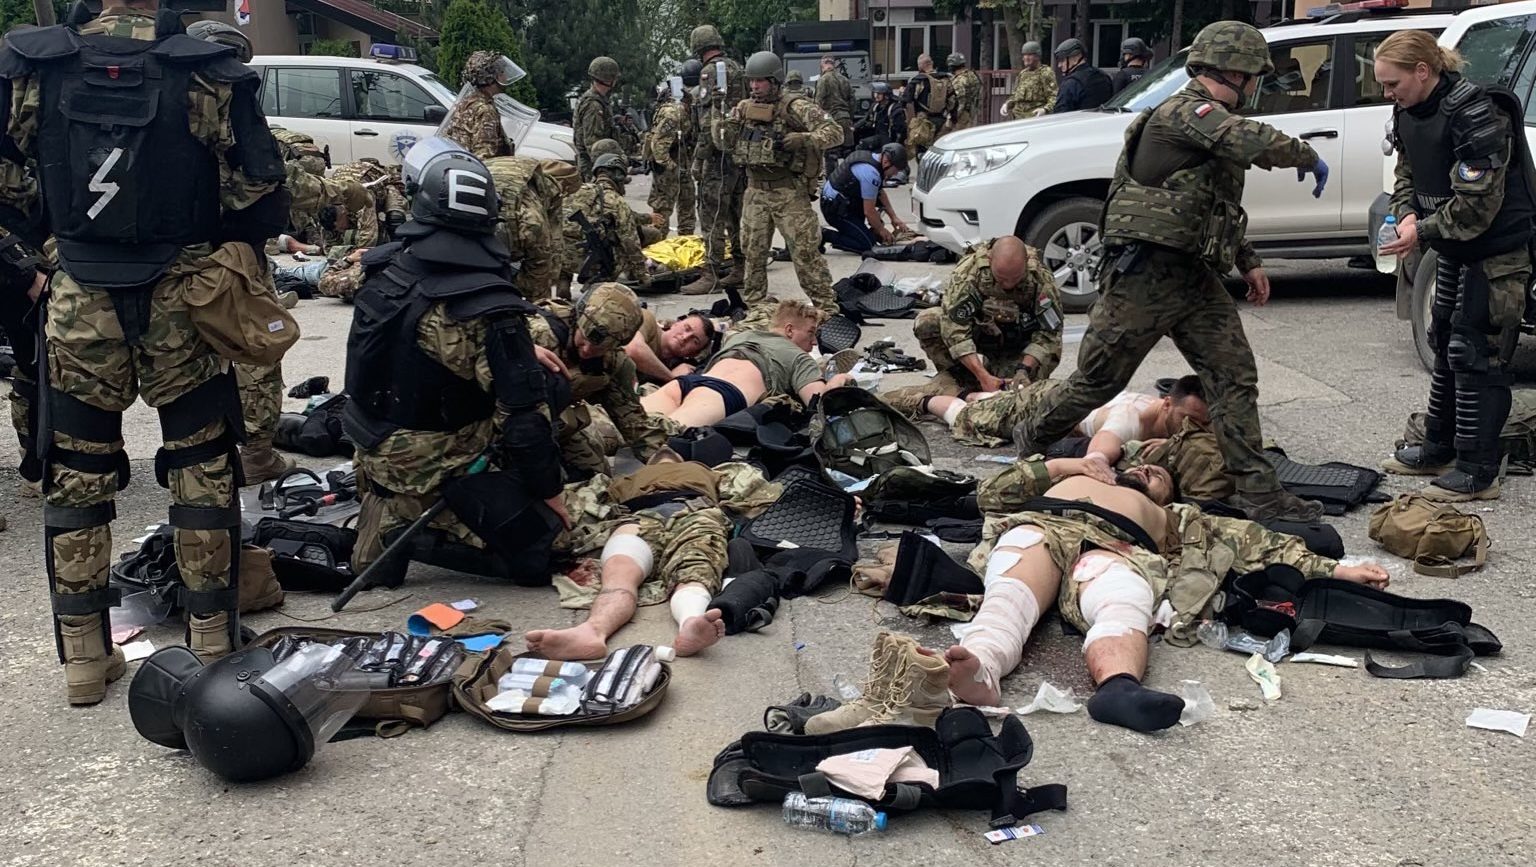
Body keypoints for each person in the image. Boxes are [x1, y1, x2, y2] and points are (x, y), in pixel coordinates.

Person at [0, 0, 291, 704]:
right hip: (180, 294)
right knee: (199, 463)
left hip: (78, 293)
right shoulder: (207, 68)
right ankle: (212, 637)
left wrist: (42, 250)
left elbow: (9, 185)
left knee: (77, 473)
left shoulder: (33, 66)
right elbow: (261, 185)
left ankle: (84, 659)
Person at [1015, 22, 1331, 523]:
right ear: (1236, 72)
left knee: (1233, 379)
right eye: (1256, 78)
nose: (1257, 89)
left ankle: (1261, 497)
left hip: (1193, 279)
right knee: (1098, 380)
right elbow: (1248, 139)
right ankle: (1030, 438)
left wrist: (1248, 261)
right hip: (1144, 276)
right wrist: (1306, 154)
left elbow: (1210, 209)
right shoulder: (1188, 112)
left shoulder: (1207, 123)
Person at [940, 463, 1389, 730]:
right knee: (1009, 597)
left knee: (1121, 602)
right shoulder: (1075, 472)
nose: (1147, 472)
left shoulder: (1179, 517)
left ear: (1169, 494)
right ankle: (982, 668)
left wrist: (1339, 570)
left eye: (1158, 476)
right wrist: (1063, 467)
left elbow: (1260, 542)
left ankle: (1118, 689)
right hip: (1043, 527)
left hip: (1118, 547)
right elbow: (989, 492)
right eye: (1140, 467)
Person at [346, 142, 569, 591]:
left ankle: (386, 502)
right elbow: (523, 420)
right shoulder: (488, 309)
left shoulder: (385, 270)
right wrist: (552, 494)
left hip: (367, 439)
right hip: (431, 457)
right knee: (551, 547)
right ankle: (420, 526)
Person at [1377, 30, 1535, 502]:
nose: (1388, 94)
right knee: (1443, 338)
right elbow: (1407, 169)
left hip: (1496, 248)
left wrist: (1419, 232)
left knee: (1475, 351)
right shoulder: (1409, 108)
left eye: (1393, 83)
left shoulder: (1477, 113)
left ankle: (1478, 470)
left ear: (1423, 71)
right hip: (1450, 244)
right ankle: (1439, 448)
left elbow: (1478, 206)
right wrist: (1406, 213)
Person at [524, 453, 780, 660]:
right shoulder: (626, 480)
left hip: (693, 512)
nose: (665, 453)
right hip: (642, 518)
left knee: (694, 567)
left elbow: (747, 491)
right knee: (620, 570)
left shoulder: (704, 470)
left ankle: (692, 623)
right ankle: (592, 631)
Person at [882, 236, 1063, 416]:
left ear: (1026, 263)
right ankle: (961, 376)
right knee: (928, 321)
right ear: (990, 260)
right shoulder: (968, 273)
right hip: (980, 335)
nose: (1008, 285)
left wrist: (1024, 369)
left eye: (1014, 278)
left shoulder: (1040, 278)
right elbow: (955, 328)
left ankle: (987, 379)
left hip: (1018, 345)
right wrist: (982, 375)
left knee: (1014, 397)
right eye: (1001, 279)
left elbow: (1049, 333)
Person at [723, 51, 844, 319]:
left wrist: (804, 138)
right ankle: (756, 307)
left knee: (804, 254)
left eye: (761, 81)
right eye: (751, 81)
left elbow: (836, 132)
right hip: (755, 191)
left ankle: (826, 308)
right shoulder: (743, 108)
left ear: (775, 81)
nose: (754, 87)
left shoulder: (796, 106)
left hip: (788, 191)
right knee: (752, 253)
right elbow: (725, 142)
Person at [528, 282, 669, 478]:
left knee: (595, 477)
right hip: (503, 425)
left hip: (555, 425)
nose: (587, 351)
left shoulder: (612, 361)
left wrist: (664, 462)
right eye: (584, 340)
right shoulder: (536, 333)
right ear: (578, 319)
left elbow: (632, 420)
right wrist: (523, 352)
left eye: (599, 349)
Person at [641, 300, 853, 426]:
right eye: (811, 333)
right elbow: (820, 403)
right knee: (666, 433)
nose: (814, 341)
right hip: (723, 393)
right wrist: (838, 379)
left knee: (631, 425)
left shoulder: (741, 336)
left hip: (688, 383)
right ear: (789, 330)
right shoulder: (799, 358)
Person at [919, 375, 1210, 455]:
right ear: (1167, 403)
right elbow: (1099, 454)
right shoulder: (1128, 420)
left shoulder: (1185, 420)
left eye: (1201, 422)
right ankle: (925, 400)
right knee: (968, 419)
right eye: (1189, 418)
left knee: (997, 403)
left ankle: (977, 393)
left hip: (1070, 396)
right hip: (1046, 404)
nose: (1193, 427)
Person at [680, 25, 747, 296]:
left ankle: (711, 273)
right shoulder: (737, 69)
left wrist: (698, 159)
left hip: (717, 157)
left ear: (698, 47)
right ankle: (741, 267)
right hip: (738, 154)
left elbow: (710, 122)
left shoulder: (709, 73)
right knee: (734, 213)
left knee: (711, 214)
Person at [485, 155, 565, 302]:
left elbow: (550, 254)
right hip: (488, 181)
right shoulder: (530, 224)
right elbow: (540, 273)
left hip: (496, 175)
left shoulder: (532, 225)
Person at [562, 153, 649, 286]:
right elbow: (630, 240)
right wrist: (641, 273)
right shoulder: (616, 200)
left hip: (559, 257)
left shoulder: (575, 190)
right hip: (591, 260)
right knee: (619, 245)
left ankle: (563, 281)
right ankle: (598, 281)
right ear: (619, 176)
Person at [820, 143, 913, 254]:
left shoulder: (874, 158)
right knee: (867, 246)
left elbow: (879, 192)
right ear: (886, 162)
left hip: (845, 202)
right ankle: (823, 235)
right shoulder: (870, 173)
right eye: (896, 169)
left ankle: (863, 233)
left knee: (873, 226)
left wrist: (894, 217)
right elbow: (869, 211)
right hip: (834, 210)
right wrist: (881, 230)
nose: (896, 174)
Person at [646, 63, 700, 237]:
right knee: (662, 209)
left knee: (687, 203)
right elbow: (659, 146)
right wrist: (672, 167)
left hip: (680, 163)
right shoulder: (674, 112)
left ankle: (686, 244)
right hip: (668, 168)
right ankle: (657, 247)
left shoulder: (685, 107)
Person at [442, 51, 520, 161]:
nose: (506, 77)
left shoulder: (467, 102)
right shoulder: (485, 110)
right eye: (502, 73)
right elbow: (484, 156)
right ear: (493, 77)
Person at [625, 310, 715, 384]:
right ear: (675, 324)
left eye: (695, 341)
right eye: (686, 328)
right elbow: (633, 349)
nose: (685, 337)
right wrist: (672, 378)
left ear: (694, 354)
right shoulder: (648, 320)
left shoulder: (678, 366)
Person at [575, 56, 620, 180]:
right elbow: (592, 143)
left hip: (597, 165)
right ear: (609, 79)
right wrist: (605, 171)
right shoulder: (594, 105)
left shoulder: (598, 100)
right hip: (594, 168)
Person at [904, 53, 950, 158]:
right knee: (939, 151)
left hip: (923, 123)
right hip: (942, 120)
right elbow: (952, 101)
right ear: (932, 63)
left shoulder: (918, 80)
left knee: (922, 152)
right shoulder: (944, 79)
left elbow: (906, 101)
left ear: (920, 66)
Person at [815, 54, 855, 175]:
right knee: (848, 151)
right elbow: (852, 101)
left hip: (830, 120)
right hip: (845, 118)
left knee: (831, 153)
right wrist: (850, 117)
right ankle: (851, 176)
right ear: (834, 65)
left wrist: (818, 122)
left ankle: (832, 181)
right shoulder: (844, 79)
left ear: (822, 66)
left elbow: (818, 102)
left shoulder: (823, 80)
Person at [1052, 38, 1113, 113]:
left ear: (1075, 58)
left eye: (1062, 60)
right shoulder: (1104, 76)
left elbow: (1060, 113)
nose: (1059, 65)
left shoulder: (1071, 83)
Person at [1003, 42, 1056, 120]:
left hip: (1034, 119)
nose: (1026, 58)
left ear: (1037, 56)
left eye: (1030, 55)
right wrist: (1007, 104)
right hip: (1017, 118)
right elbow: (1015, 95)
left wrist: (1045, 109)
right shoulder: (1023, 74)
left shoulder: (1046, 73)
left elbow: (1053, 96)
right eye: (1024, 55)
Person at [854, 80, 907, 150]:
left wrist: (896, 145)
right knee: (861, 144)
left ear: (886, 95)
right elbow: (866, 119)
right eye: (875, 93)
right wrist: (854, 127)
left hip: (889, 139)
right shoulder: (875, 106)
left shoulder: (895, 108)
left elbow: (901, 130)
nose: (876, 95)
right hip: (877, 135)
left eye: (879, 93)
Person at [944, 52, 981, 134]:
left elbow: (960, 102)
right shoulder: (972, 75)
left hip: (961, 117)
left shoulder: (959, 80)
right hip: (971, 112)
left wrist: (951, 118)